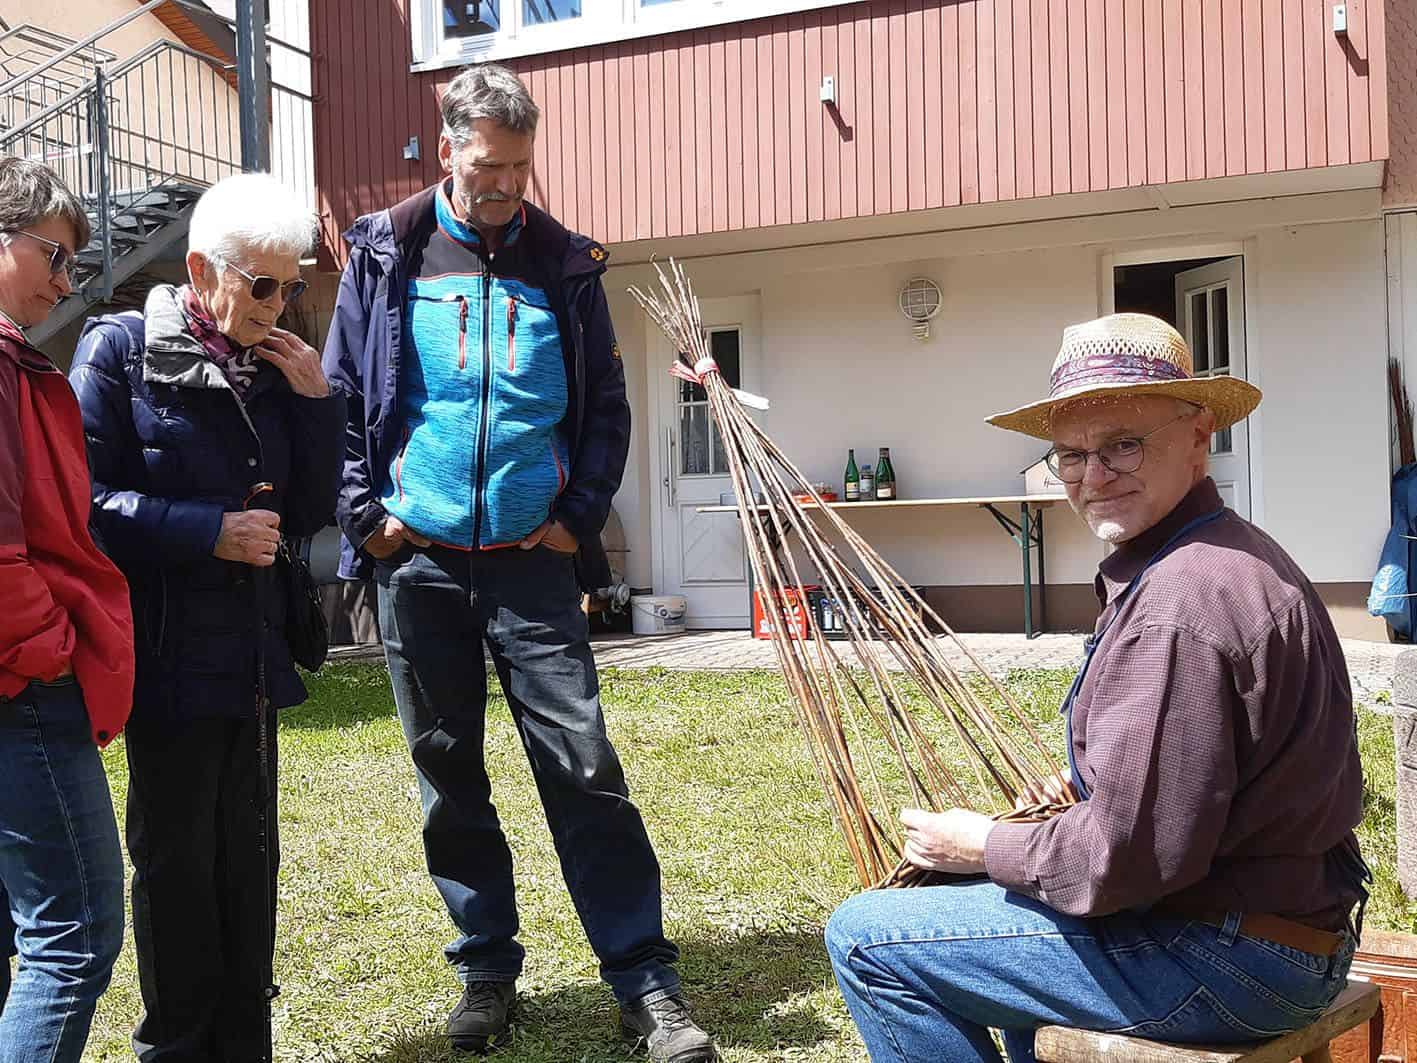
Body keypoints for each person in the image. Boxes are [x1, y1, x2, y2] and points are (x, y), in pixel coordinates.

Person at [825, 312, 1370, 1063]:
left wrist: (984, 843)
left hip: (1231, 958)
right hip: (1287, 934)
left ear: (1198, 436)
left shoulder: (1179, 603)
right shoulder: (1222, 552)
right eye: (1072, 455)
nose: (1095, 475)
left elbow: (1126, 860)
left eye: (1122, 444)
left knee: (865, 937)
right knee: (999, 939)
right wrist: (1086, 787)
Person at [322, 63, 716, 1062]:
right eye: (487, 166)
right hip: (419, 565)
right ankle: (487, 973)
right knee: (448, 774)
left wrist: (577, 517)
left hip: (531, 564)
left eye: (519, 168)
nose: (503, 186)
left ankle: (645, 982)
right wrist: (368, 518)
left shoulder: (564, 264)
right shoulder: (387, 253)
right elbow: (343, 400)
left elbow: (606, 408)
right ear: (447, 148)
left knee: (584, 765)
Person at [69, 172, 346, 1061]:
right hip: (165, 656)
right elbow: (82, 504)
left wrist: (317, 404)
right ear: (199, 269)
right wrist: (207, 531)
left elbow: (310, 512)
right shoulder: (119, 351)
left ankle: (245, 1044)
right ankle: (177, 1045)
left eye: (290, 286)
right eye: (260, 283)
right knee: (177, 864)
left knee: (251, 860)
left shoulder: (279, 367)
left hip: (254, 656)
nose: (276, 304)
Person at [0, 157, 133, 1063]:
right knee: (73, 934)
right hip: (20, 685)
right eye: (53, 254)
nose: (64, 280)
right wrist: (45, 647)